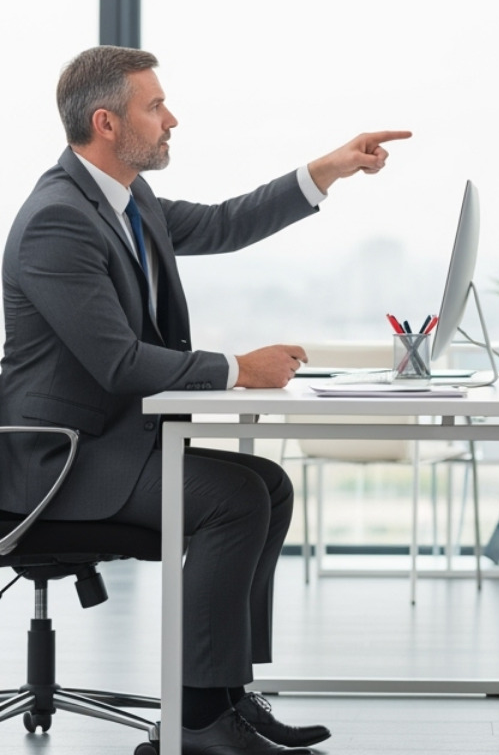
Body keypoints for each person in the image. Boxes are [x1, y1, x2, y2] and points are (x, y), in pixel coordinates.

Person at [0, 45, 409, 755]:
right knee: (233, 499)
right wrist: (237, 371)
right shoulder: (57, 221)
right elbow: (118, 361)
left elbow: (224, 223)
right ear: (106, 123)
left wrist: (328, 170)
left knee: (267, 486)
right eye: (154, 107)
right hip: (61, 461)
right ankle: (195, 723)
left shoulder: (126, 200)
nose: (171, 120)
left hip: (112, 443)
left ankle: (223, 698)